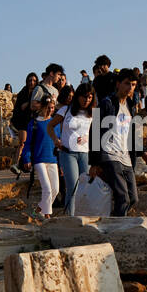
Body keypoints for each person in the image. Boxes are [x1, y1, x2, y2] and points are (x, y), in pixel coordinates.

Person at [89, 68, 147, 216]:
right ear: (118, 84)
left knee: (133, 199)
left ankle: (113, 221)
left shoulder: (130, 105)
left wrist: (142, 152)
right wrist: (94, 163)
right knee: (122, 197)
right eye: (127, 83)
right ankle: (116, 230)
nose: (130, 88)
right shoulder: (106, 103)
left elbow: (130, 134)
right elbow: (94, 131)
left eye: (134, 84)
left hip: (126, 158)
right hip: (110, 155)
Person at [50, 82, 94, 215]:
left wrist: (87, 137)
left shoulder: (93, 112)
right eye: (84, 96)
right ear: (78, 96)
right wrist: (56, 140)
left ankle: (83, 215)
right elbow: (50, 126)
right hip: (68, 153)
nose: (87, 100)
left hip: (85, 153)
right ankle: (71, 217)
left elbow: (95, 133)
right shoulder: (66, 110)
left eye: (90, 97)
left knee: (85, 187)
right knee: (72, 187)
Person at [23, 88, 60, 219]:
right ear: (43, 107)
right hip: (39, 159)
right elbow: (27, 143)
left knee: (55, 189)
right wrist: (26, 159)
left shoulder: (56, 123)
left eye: (53, 107)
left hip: (53, 159)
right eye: (49, 107)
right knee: (47, 189)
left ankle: (38, 209)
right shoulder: (34, 123)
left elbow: (59, 142)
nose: (51, 110)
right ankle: (47, 216)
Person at [9, 72, 39, 175]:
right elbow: (20, 107)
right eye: (30, 80)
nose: (32, 82)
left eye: (34, 80)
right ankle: (16, 165)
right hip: (23, 121)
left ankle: (30, 165)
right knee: (22, 143)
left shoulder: (38, 92)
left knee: (34, 144)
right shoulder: (23, 93)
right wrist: (29, 103)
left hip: (35, 121)